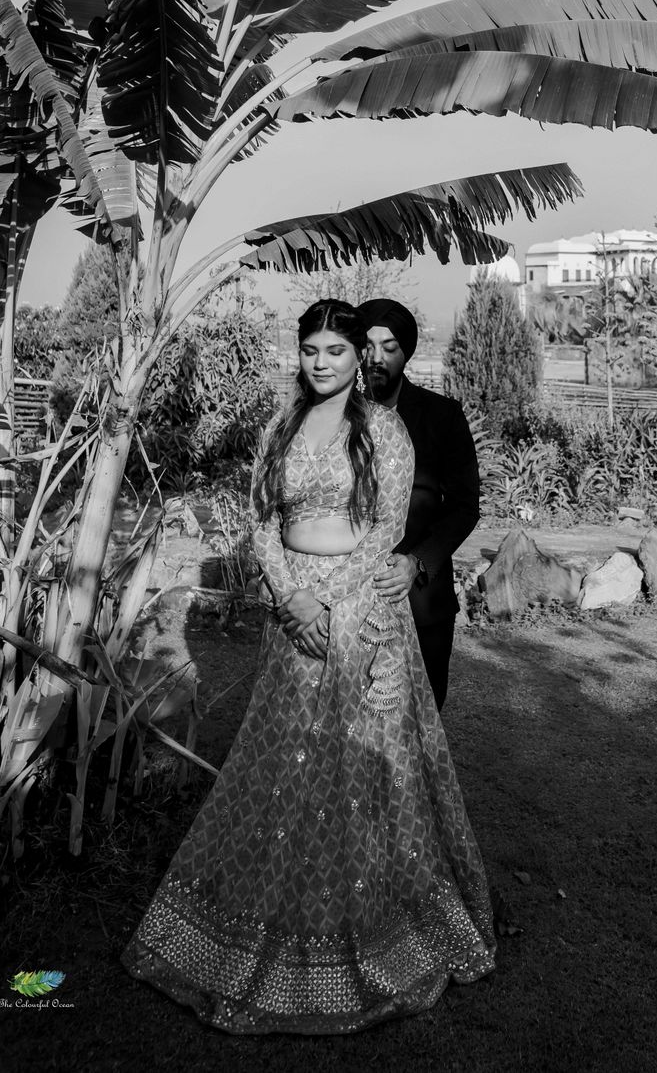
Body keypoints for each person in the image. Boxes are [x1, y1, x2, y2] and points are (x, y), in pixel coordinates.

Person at [122, 299, 495, 1034]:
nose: (322, 363)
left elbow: (388, 526)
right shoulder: (281, 426)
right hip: (293, 607)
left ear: (361, 358)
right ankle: (267, 916)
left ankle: (368, 924)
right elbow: (261, 519)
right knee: (283, 760)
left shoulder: (384, 430)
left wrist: (330, 601)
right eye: (311, 350)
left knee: (358, 769)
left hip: (358, 613)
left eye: (336, 350)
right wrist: (290, 597)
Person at [357, 299, 480, 711]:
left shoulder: (442, 417)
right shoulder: (336, 418)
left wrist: (417, 561)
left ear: (406, 352)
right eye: (367, 345)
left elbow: (465, 505)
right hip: (350, 601)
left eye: (389, 347)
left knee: (422, 717)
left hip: (422, 601)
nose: (376, 358)